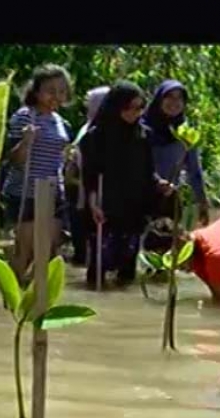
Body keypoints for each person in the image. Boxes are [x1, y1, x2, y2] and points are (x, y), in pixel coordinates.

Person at [80, 81, 159, 288]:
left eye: (139, 108)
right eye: (129, 107)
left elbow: (149, 171)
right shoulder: (95, 137)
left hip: (134, 209)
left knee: (127, 269)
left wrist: (160, 184)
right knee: (99, 268)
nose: (134, 113)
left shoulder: (144, 135)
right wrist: (93, 205)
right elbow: (90, 176)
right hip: (105, 208)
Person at [2, 64, 73, 282]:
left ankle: (36, 297)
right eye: (50, 90)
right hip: (26, 191)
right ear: (37, 91)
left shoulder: (61, 122)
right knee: (25, 251)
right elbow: (13, 159)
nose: (56, 96)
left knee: (48, 251)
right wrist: (26, 141)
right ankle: (12, 294)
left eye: (61, 91)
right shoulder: (25, 116)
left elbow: (59, 158)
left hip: (53, 191)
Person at [143, 80, 210, 227]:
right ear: (159, 99)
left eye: (179, 98)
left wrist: (202, 201)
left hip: (170, 201)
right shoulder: (142, 130)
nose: (174, 102)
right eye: (169, 97)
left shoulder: (184, 132)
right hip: (142, 199)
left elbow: (194, 170)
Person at [64, 86, 109, 266]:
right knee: (87, 253)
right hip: (84, 197)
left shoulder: (98, 130)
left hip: (91, 196)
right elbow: (72, 170)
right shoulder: (88, 132)